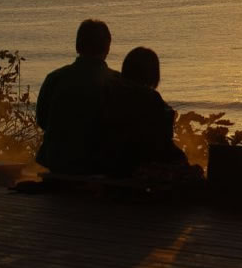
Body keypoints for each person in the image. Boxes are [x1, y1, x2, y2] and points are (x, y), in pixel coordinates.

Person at [36, 19, 118, 174]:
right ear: (107, 47)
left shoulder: (55, 78)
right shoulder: (118, 82)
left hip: (57, 160)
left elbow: (42, 120)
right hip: (98, 164)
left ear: (77, 46)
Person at [100, 47, 188, 178]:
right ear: (153, 74)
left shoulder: (108, 92)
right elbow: (160, 144)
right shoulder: (151, 100)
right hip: (134, 171)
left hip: (108, 165)